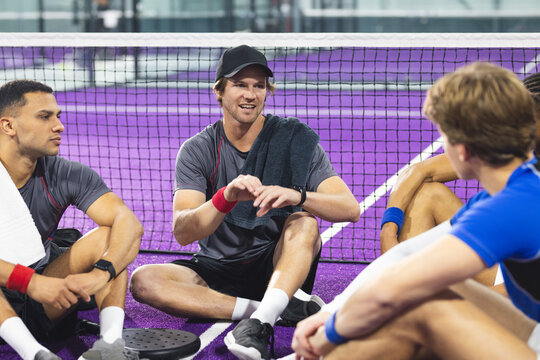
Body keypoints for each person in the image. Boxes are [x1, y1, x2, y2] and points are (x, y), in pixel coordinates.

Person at [291, 62, 540, 359]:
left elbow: (388, 292)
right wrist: (332, 312)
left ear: (463, 151)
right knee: (423, 291)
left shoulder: (510, 206)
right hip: (533, 328)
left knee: (422, 308)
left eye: (444, 136)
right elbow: (405, 259)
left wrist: (328, 334)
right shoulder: (514, 190)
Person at [129, 45, 360, 360]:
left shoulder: (292, 140)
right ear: (219, 91)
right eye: (240, 84)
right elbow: (183, 232)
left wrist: (299, 195)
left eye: (259, 86)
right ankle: (276, 309)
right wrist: (225, 197)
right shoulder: (197, 150)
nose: (251, 94)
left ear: (267, 92)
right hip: (217, 267)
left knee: (304, 221)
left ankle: (262, 320)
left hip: (277, 264)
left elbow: (350, 208)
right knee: (144, 280)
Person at [0, 80, 144, 360]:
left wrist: (99, 275)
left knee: (109, 235)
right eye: (45, 117)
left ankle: (111, 345)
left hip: (44, 297)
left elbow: (129, 223)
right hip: (13, 292)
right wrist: (30, 282)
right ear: (8, 126)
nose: (59, 126)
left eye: (57, 116)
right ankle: (36, 355)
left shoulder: (66, 174)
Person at [379, 72, 540, 290]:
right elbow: (419, 170)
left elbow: (519, 297)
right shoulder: (506, 170)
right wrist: (389, 229)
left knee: (413, 299)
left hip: (515, 294)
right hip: (506, 269)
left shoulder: (522, 193)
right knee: (427, 195)